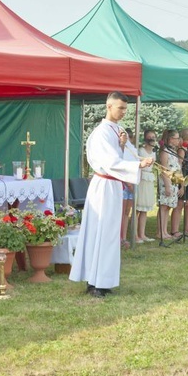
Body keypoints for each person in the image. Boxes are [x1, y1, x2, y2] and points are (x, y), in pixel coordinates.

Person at [70, 92, 153, 298]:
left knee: (110, 234)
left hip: (115, 187)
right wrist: (137, 165)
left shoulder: (118, 130)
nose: (123, 112)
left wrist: (130, 151)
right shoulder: (101, 133)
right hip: (104, 185)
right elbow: (109, 162)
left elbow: (124, 154)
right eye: (120, 108)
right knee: (100, 232)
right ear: (109, 106)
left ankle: (104, 280)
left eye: (125, 108)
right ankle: (94, 281)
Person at [157, 129, 182, 240]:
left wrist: (180, 184)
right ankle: (160, 232)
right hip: (166, 182)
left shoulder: (173, 151)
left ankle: (165, 231)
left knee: (168, 207)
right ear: (170, 139)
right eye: (176, 138)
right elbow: (163, 169)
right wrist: (167, 185)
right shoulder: (165, 152)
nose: (178, 140)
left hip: (174, 182)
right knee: (163, 207)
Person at [134, 129, 157, 243]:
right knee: (138, 208)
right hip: (141, 179)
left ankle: (142, 234)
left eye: (153, 136)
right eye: (150, 137)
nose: (152, 139)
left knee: (145, 209)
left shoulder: (154, 152)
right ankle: (135, 235)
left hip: (149, 179)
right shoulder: (141, 151)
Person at [120, 128, 136, 247]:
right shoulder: (120, 150)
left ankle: (124, 237)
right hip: (123, 185)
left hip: (131, 184)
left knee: (127, 212)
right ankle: (118, 237)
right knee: (121, 212)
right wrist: (128, 183)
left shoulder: (132, 150)